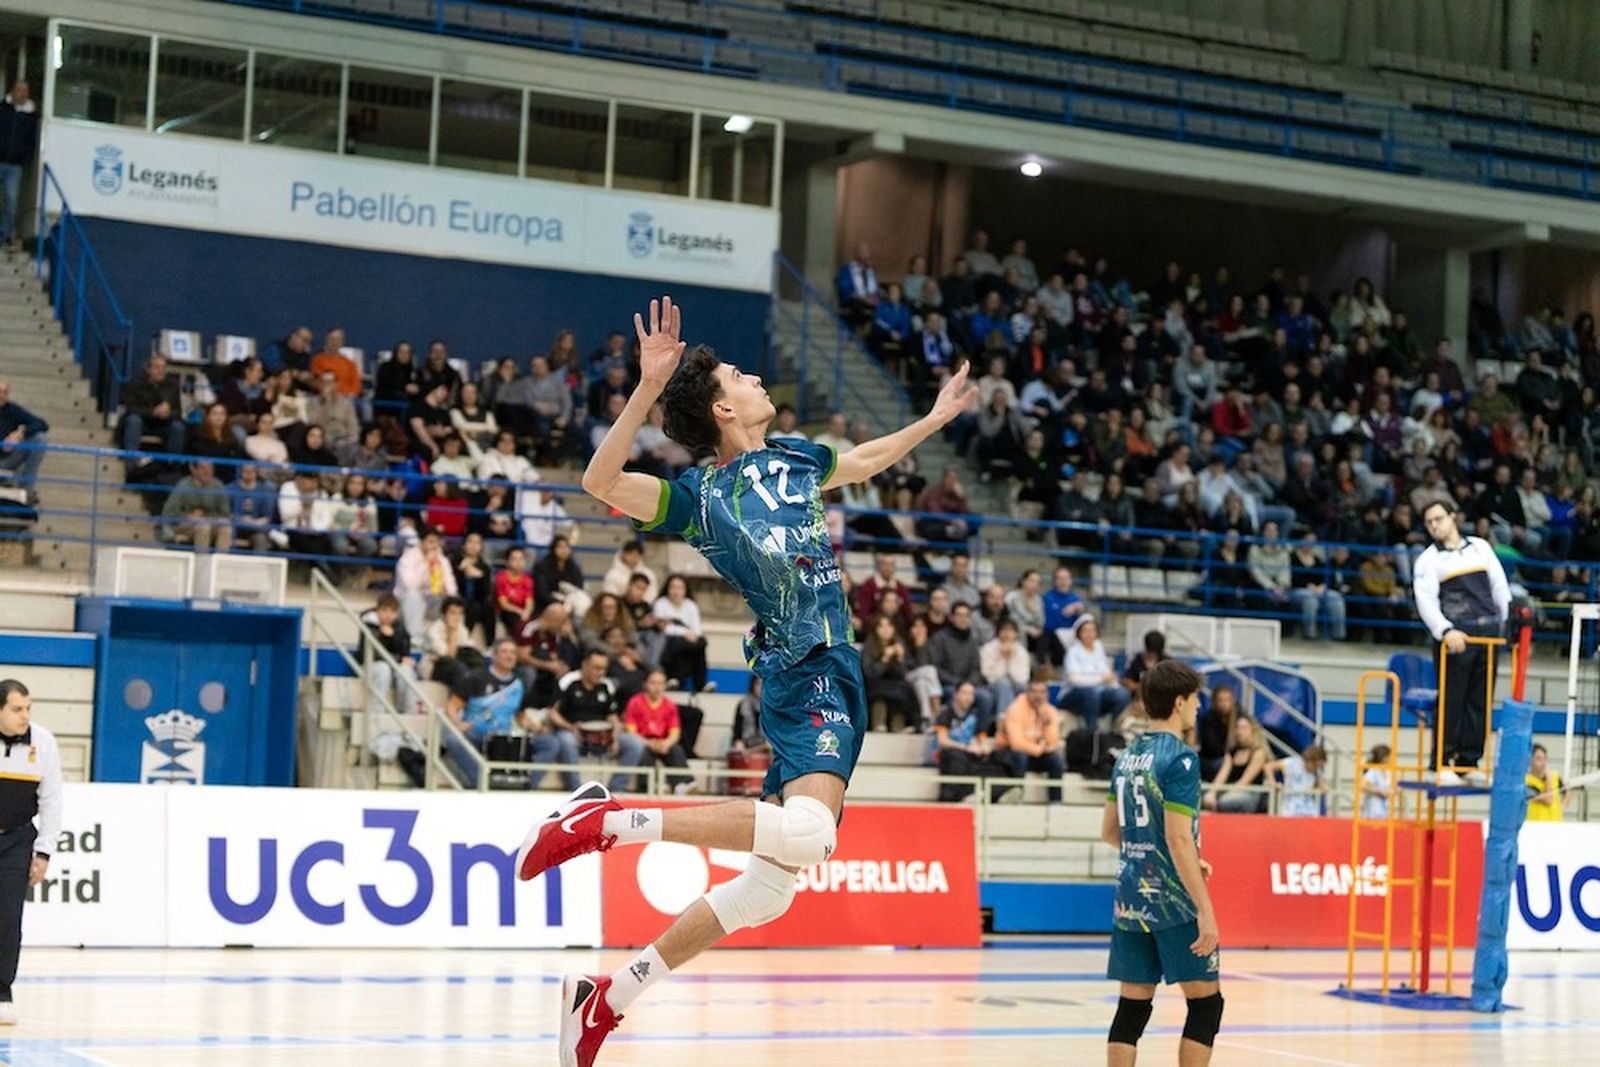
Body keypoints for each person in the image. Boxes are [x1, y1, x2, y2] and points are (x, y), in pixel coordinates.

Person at [520, 294, 975, 1064]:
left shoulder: (797, 455)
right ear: (725, 408)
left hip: (839, 666)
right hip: (802, 669)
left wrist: (932, 422)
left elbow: (863, 461)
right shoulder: (699, 498)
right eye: (739, 372)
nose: (755, 374)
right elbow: (601, 480)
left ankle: (609, 998)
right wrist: (649, 385)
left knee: (769, 888)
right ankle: (611, 817)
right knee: (810, 834)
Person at [1100, 659, 1222, 1066]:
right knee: (1206, 1006)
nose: (1199, 707)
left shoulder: (1126, 757)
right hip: (1172, 901)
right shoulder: (1181, 759)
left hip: (1130, 898)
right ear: (1179, 701)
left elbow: (1111, 833)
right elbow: (1177, 837)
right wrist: (1205, 910)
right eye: (1196, 699)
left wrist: (1158, 858)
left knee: (1132, 1011)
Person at [1413, 501, 1510, 783]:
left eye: (1438, 518)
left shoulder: (1480, 547)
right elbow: (1426, 602)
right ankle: (1441, 763)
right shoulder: (1428, 560)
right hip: (1456, 638)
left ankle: (1468, 763)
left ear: (1452, 517)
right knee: (1451, 700)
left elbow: (1499, 586)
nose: (1434, 525)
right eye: (1429, 521)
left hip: (1488, 634)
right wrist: (1445, 631)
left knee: (1480, 701)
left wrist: (1506, 625)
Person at [550, 649, 642, 794]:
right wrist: (570, 727)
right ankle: (576, 790)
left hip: (601, 734)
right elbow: (553, 712)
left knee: (635, 743)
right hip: (573, 731)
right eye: (596, 668)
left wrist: (616, 737)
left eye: (604, 669)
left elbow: (612, 715)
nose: (601, 673)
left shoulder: (606, 686)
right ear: (585, 665)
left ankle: (616, 789)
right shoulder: (568, 681)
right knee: (566, 740)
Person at [932, 680, 1016, 803]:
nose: (968, 698)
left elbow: (981, 737)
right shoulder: (945, 713)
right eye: (965, 693)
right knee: (957, 759)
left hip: (969, 754)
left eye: (971, 694)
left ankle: (995, 794)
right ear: (956, 695)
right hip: (949, 755)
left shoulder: (975, 715)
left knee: (999, 760)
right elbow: (943, 741)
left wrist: (985, 747)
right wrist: (965, 747)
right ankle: (955, 798)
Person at [624, 668, 693, 793]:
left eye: (661, 683)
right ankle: (647, 787)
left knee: (676, 750)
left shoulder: (669, 705)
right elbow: (631, 732)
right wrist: (649, 743)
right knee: (642, 751)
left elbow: (675, 732)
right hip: (644, 741)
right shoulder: (635, 702)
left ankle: (682, 784)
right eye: (653, 683)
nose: (657, 687)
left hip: (662, 742)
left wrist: (666, 744)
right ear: (645, 684)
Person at [998, 676, 1065, 803]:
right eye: (1034, 692)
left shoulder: (1050, 711)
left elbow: (1053, 742)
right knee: (1020, 755)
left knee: (1055, 760)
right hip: (1009, 753)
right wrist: (1040, 749)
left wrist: (1046, 723)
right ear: (1027, 693)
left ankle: (1056, 802)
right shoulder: (1015, 708)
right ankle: (1018, 796)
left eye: (1042, 692)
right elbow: (1016, 743)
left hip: (1033, 753)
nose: (1038, 696)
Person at [120, 354, 186, 469]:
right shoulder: (135, 384)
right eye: (157, 367)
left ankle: (172, 467)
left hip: (163, 424)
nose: (161, 371)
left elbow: (178, 412)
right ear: (148, 369)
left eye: (163, 368)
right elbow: (131, 408)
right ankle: (130, 463)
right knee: (133, 420)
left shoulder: (172, 386)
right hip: (143, 422)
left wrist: (168, 413)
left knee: (178, 427)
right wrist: (153, 412)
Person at [394, 528, 458, 643]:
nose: (434, 546)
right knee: (413, 596)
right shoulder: (408, 558)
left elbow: (452, 587)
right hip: (405, 601)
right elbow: (410, 585)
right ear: (421, 542)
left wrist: (446, 589)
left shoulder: (442, 560)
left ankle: (453, 640)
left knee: (454, 600)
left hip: (433, 600)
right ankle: (415, 638)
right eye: (430, 542)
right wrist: (426, 564)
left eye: (436, 542)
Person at [160, 460, 234, 552]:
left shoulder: (218, 486)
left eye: (210, 468)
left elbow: (225, 514)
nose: (207, 471)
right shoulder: (183, 485)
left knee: (226, 528)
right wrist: (187, 517)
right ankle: (201, 563)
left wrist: (204, 517)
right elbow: (168, 511)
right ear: (194, 470)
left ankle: (220, 563)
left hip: (211, 523)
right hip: (186, 525)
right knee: (203, 527)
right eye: (203, 468)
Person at [653, 574, 708, 693]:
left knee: (701, 643)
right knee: (678, 644)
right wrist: (685, 632)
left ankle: (700, 684)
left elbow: (697, 630)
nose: (676, 591)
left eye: (679, 588)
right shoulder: (660, 604)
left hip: (689, 642)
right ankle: (674, 678)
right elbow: (664, 629)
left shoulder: (690, 605)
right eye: (672, 587)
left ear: (685, 590)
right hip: (667, 643)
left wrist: (691, 636)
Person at [1202, 716, 1268, 814]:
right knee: (1200, 794)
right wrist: (1212, 792)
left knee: (1226, 801)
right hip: (1230, 788)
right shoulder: (1232, 752)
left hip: (1250, 793)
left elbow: (1244, 781)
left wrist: (1220, 795)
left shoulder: (1259, 753)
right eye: (1237, 727)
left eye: (1244, 728)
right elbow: (1222, 775)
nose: (1240, 731)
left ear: (1253, 731)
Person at [0, 82, 38, 246]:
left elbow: (31, 142)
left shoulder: (31, 118)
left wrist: (25, 160)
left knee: (11, 201)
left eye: (24, 91)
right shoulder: (3, 109)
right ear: (12, 91)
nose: (21, 94)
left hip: (15, 165)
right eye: (18, 90)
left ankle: (5, 234)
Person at [0, 380, 48, 495]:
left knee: (40, 439)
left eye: (5, 392)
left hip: (7, 458)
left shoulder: (12, 410)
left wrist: (21, 433)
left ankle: (26, 488)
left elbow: (42, 424)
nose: (1, 395)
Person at [1269, 743, 1327, 817]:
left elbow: (1323, 786)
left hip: (1309, 809)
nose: (1316, 768)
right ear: (1310, 760)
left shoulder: (1316, 771)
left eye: (1319, 766)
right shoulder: (1292, 762)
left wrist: (1322, 785)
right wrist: (1273, 782)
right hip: (1290, 808)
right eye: (1316, 765)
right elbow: (1269, 767)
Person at [494, 545, 535, 640]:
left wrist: (526, 612)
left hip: (523, 611)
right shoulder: (501, 577)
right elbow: (504, 604)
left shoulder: (527, 579)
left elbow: (529, 602)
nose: (518, 563)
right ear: (507, 561)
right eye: (514, 559)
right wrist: (520, 612)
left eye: (521, 559)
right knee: (515, 621)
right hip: (507, 611)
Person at [1525, 743, 1566, 822]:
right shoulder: (1526, 781)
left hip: (1555, 825)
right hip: (1536, 827)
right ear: (1530, 759)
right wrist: (1548, 778)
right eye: (1539, 759)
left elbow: (1567, 791)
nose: (1543, 763)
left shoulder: (1555, 776)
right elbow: (1548, 800)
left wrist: (1561, 807)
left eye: (1545, 759)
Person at [1360, 744, 1393, 820]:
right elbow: (1363, 786)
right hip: (1372, 810)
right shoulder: (1373, 771)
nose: (1390, 759)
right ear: (1383, 758)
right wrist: (1379, 791)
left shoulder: (1388, 772)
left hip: (1384, 810)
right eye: (1389, 756)